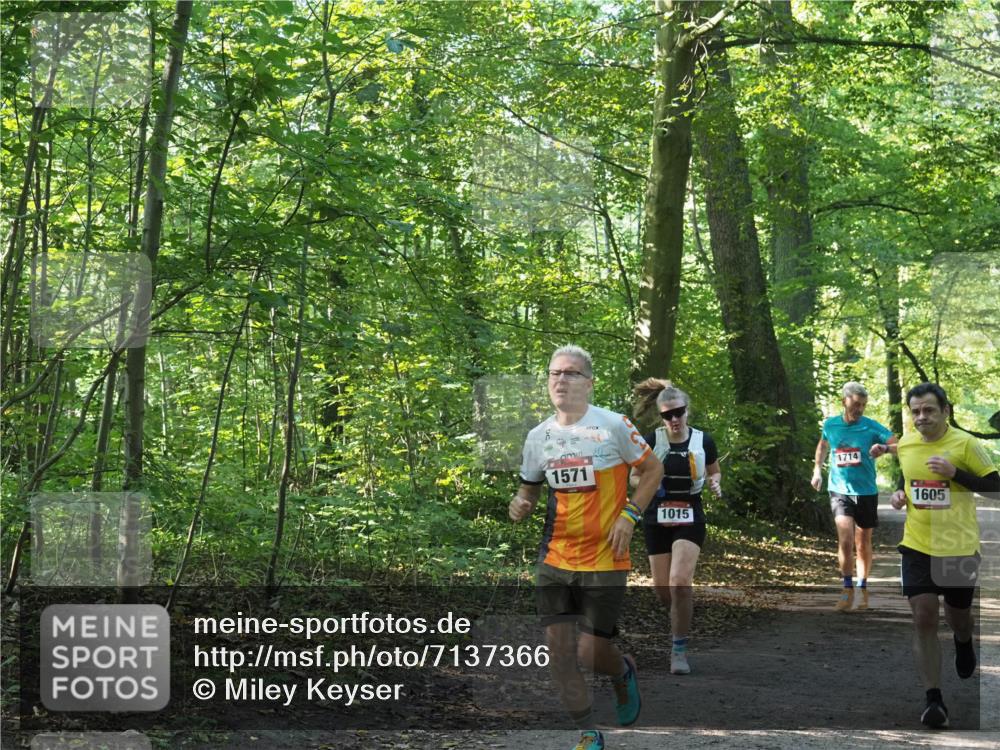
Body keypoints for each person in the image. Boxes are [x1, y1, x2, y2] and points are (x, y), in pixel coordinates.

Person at [510, 345, 664, 750]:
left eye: (571, 373)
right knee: (560, 652)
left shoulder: (613, 426)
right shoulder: (538, 437)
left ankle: (622, 671)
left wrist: (630, 515)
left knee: (590, 651)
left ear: (589, 383)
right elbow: (528, 490)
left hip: (605, 556)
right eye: (554, 373)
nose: (560, 379)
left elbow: (653, 470)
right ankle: (588, 732)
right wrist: (520, 504)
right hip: (555, 556)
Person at [889, 382, 998, 729]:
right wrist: (899, 494)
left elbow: (997, 489)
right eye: (915, 411)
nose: (921, 417)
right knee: (923, 615)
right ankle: (933, 699)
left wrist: (956, 475)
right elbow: (910, 480)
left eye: (929, 410)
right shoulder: (906, 444)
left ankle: (963, 640)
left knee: (958, 616)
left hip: (957, 545)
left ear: (945, 411)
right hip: (917, 544)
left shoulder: (966, 444)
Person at [631, 380, 722, 676]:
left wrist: (715, 483)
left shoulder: (703, 441)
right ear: (660, 416)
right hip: (656, 516)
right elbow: (633, 476)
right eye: (667, 415)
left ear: (687, 411)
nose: (674, 419)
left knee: (679, 582)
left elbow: (714, 471)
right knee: (663, 590)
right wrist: (650, 483)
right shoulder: (651, 441)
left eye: (678, 412)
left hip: (689, 513)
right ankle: (681, 611)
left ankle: (678, 650)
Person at [811, 382, 897, 610]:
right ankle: (847, 589)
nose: (859, 409)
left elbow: (899, 444)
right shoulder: (831, 424)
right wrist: (817, 470)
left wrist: (885, 448)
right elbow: (823, 445)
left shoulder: (871, 426)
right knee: (846, 539)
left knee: (863, 542)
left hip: (866, 491)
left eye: (863, 405)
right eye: (856, 404)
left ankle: (862, 588)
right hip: (839, 490)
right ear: (844, 401)